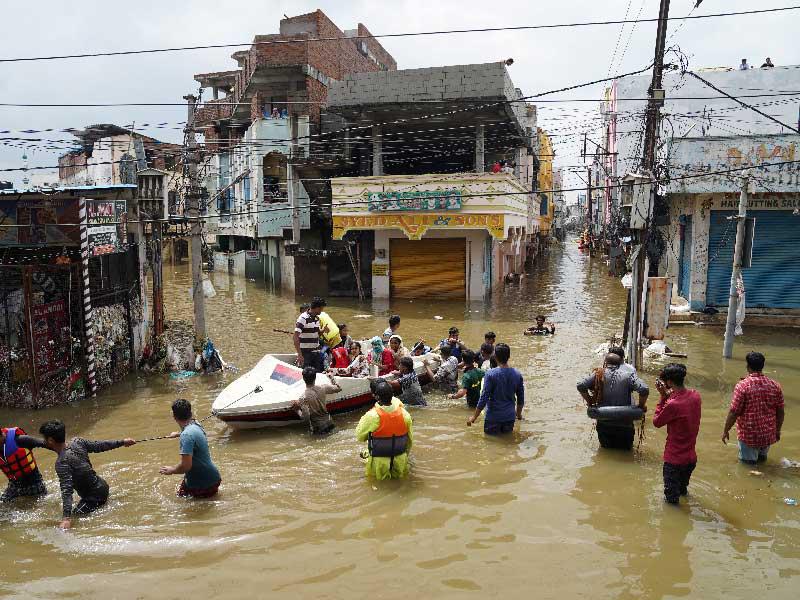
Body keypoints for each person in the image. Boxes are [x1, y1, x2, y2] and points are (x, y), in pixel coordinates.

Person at [39, 420, 135, 529]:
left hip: (94, 498)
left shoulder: (62, 463)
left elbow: (67, 491)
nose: (44, 441)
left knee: (76, 518)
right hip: (103, 487)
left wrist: (66, 518)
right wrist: (122, 442)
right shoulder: (77, 442)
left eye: (44, 439)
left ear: (50, 440)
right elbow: (99, 446)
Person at [721, 351, 784, 464]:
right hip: (767, 435)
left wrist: (726, 430)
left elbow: (734, 412)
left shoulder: (742, 386)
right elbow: (780, 412)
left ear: (748, 367)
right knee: (762, 463)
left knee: (747, 467)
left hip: (749, 436)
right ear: (762, 366)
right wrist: (777, 431)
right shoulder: (775, 386)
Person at [577, 352, 649, 450]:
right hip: (625, 424)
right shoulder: (628, 375)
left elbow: (580, 385)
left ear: (605, 363)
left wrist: (590, 402)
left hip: (604, 423)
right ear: (621, 364)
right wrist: (641, 405)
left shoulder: (598, 374)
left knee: (606, 450)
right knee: (626, 453)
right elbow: (644, 389)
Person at [652, 364, 702, 505]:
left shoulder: (672, 404)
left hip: (674, 460)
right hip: (690, 458)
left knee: (671, 503)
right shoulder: (695, 395)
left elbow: (657, 422)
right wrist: (669, 395)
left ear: (669, 382)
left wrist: (662, 397)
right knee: (682, 492)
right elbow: (682, 405)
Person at [160, 400, 222, 498]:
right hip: (213, 478)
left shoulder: (186, 436)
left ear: (174, 417)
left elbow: (186, 466)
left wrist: (172, 470)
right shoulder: (196, 424)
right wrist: (179, 434)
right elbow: (191, 433)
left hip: (202, 484)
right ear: (191, 413)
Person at [355, 380, 414, 480]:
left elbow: (360, 437)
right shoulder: (405, 414)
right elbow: (409, 440)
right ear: (393, 395)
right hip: (400, 461)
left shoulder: (372, 416)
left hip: (379, 463)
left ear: (376, 397)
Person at [467, 343, 524, 435]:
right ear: (509, 356)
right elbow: (521, 398)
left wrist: (474, 417)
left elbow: (484, 398)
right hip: (509, 417)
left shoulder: (490, 374)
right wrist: (519, 414)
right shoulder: (517, 374)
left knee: (491, 443)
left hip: (493, 418)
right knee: (507, 443)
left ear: (495, 357)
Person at [1, 425, 48, 503]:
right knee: (3, 503)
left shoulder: (20, 440)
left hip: (34, 483)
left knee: (39, 503)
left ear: (2, 435)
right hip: (14, 485)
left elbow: (45, 443)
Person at [291, 368, 342, 435]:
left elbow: (305, 418)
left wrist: (297, 410)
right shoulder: (323, 388)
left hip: (319, 428)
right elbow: (339, 388)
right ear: (315, 377)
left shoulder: (303, 398)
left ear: (303, 379)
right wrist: (331, 377)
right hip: (330, 423)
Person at [294, 297, 325, 371]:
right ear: (317, 308)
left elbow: (316, 334)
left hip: (316, 352)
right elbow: (295, 337)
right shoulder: (303, 318)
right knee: (306, 374)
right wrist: (300, 354)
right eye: (321, 309)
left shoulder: (317, 318)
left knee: (318, 374)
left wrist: (322, 331)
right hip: (305, 353)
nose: (322, 311)